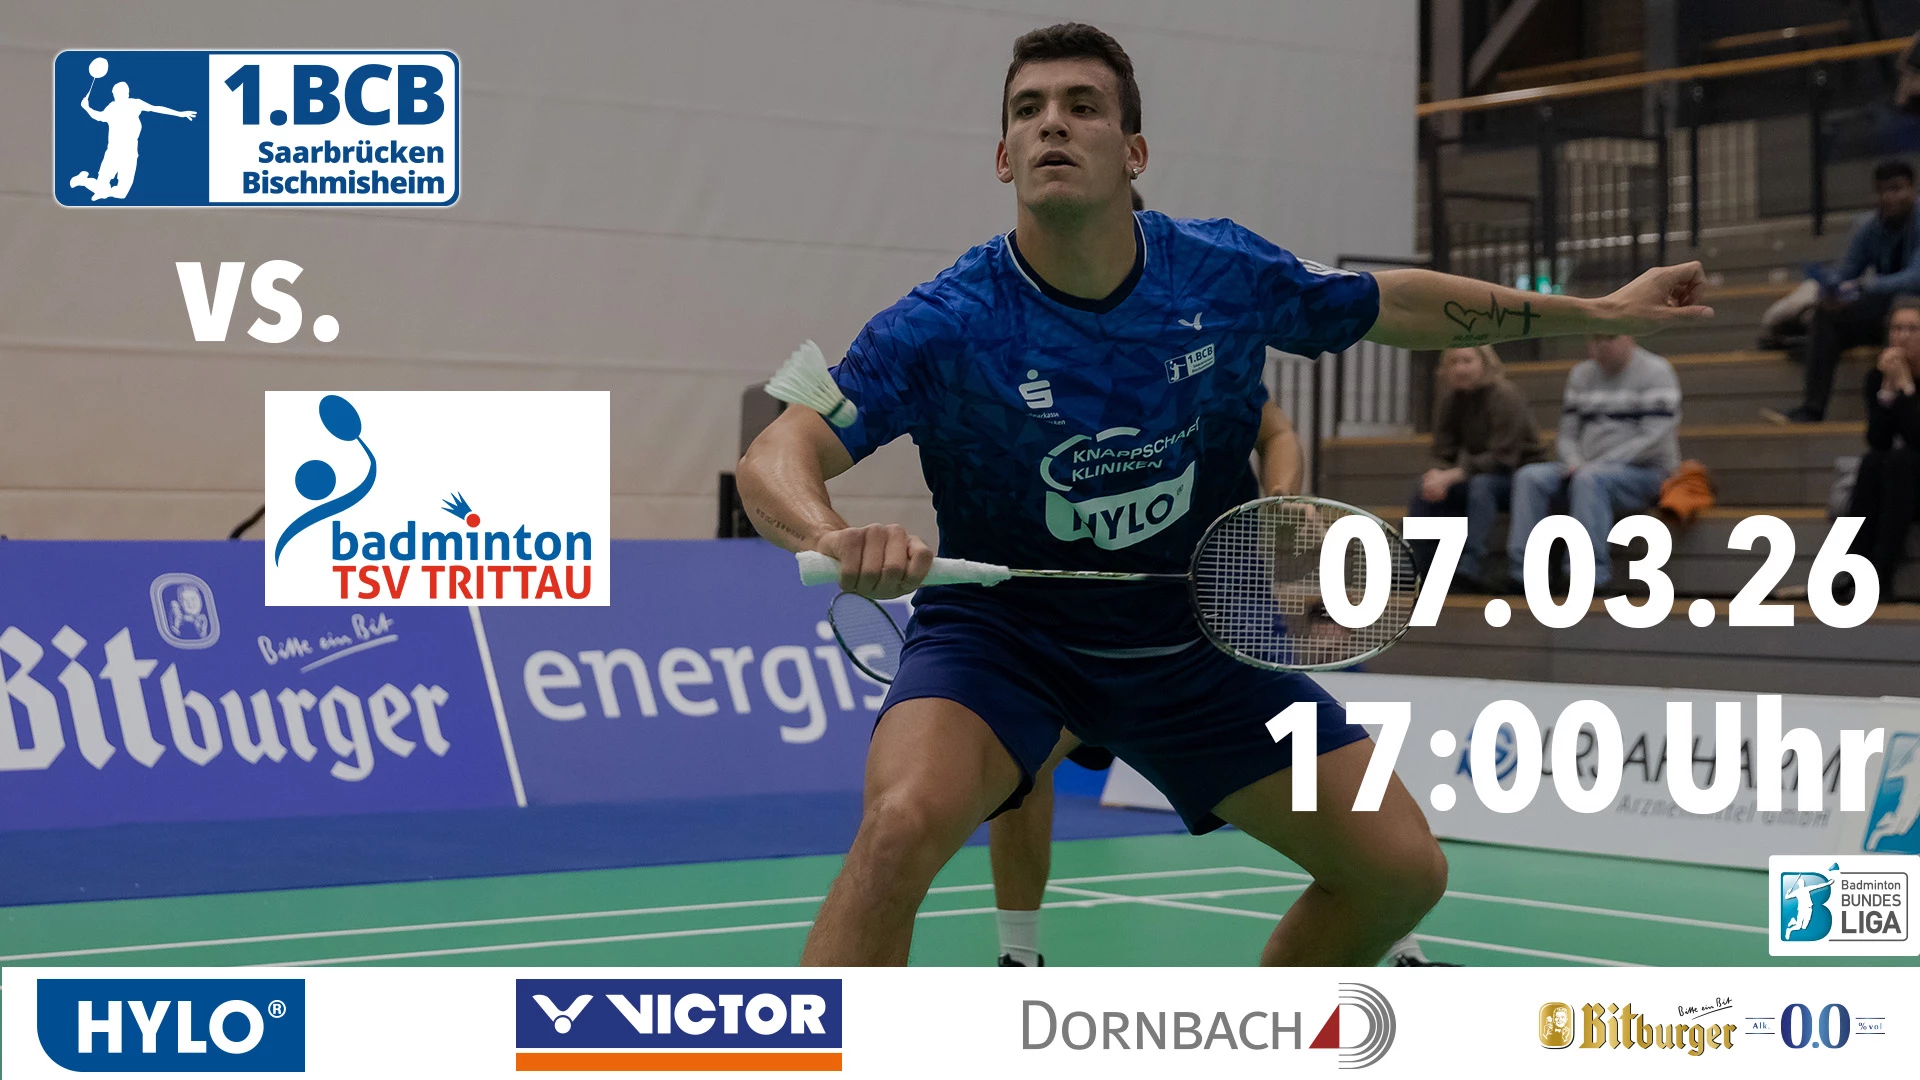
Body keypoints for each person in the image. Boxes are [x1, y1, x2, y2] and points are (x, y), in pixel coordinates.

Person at [736, 22, 1711, 967]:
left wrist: (1599, 308)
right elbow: (779, 450)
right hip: (1007, 643)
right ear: (1003, 158)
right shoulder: (946, 324)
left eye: (1083, 106)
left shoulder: (1220, 273)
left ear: (1134, 151)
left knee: (1400, 872)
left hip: (1195, 641)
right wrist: (830, 534)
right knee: (898, 827)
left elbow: (1393, 303)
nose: (1052, 124)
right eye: (1028, 111)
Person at [1504, 335, 1681, 593]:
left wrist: (1599, 465)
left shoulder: (1656, 371)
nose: (1602, 345)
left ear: (1629, 337)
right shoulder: (1581, 374)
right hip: (1586, 469)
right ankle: (1524, 574)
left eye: (1610, 338)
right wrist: (1574, 461)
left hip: (1645, 472)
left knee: (1590, 479)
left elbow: (1654, 439)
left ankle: (1587, 575)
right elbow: (1567, 433)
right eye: (1595, 339)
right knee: (1530, 477)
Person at [1768, 160, 1920, 423]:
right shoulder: (1870, 226)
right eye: (1883, 191)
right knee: (1827, 314)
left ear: (1913, 189)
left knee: (1900, 309)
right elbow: (1847, 270)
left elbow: (1915, 278)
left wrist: (1865, 287)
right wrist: (1832, 288)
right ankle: (1812, 408)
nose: (1889, 197)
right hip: (1885, 309)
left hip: (1913, 310)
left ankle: (1897, 411)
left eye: (1897, 189)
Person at [1406, 345, 1545, 591]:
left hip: (1519, 476)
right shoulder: (1451, 399)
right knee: (1426, 487)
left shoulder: (1504, 395)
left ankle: (1469, 567)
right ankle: (1414, 566)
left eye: (1467, 361)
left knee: (1482, 486)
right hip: (1479, 472)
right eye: (1454, 362)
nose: (1460, 368)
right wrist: (1437, 475)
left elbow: (1504, 457)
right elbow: (1442, 452)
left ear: (1485, 363)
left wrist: (1453, 475)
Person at [1842, 298, 1920, 604]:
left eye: (1912, 329)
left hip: (1911, 470)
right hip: (1904, 479)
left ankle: (1880, 575)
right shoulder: (1877, 377)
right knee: (1873, 462)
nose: (1903, 336)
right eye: (1897, 329)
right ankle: (1851, 567)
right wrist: (1888, 388)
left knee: (1901, 462)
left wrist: (1907, 388)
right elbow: (1878, 440)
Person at [70, 80, 198, 201]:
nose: (116, 95)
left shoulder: (136, 103)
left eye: (119, 92)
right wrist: (86, 108)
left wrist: (179, 113)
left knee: (121, 194)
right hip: (113, 152)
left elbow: (156, 108)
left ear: (126, 93)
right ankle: (87, 182)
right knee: (103, 184)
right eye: (115, 93)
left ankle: (100, 190)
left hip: (130, 154)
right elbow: (98, 116)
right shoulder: (112, 107)